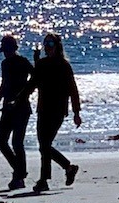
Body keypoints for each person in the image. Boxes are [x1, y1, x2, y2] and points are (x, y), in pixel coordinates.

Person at [21, 32, 82, 194]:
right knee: (44, 145)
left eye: (50, 44)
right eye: (45, 44)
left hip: (57, 111)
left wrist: (76, 112)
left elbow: (73, 90)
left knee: (45, 145)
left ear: (57, 47)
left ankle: (44, 180)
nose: (47, 47)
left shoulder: (64, 65)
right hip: (43, 109)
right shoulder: (41, 64)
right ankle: (67, 168)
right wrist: (19, 99)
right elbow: (33, 83)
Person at [0, 35, 34, 190]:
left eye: (7, 50)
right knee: (1, 141)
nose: (5, 53)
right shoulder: (5, 64)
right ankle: (20, 172)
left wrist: (21, 96)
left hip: (22, 108)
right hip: (7, 109)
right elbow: (3, 88)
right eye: (4, 50)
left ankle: (19, 175)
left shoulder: (23, 62)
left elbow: (35, 79)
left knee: (17, 143)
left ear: (14, 48)